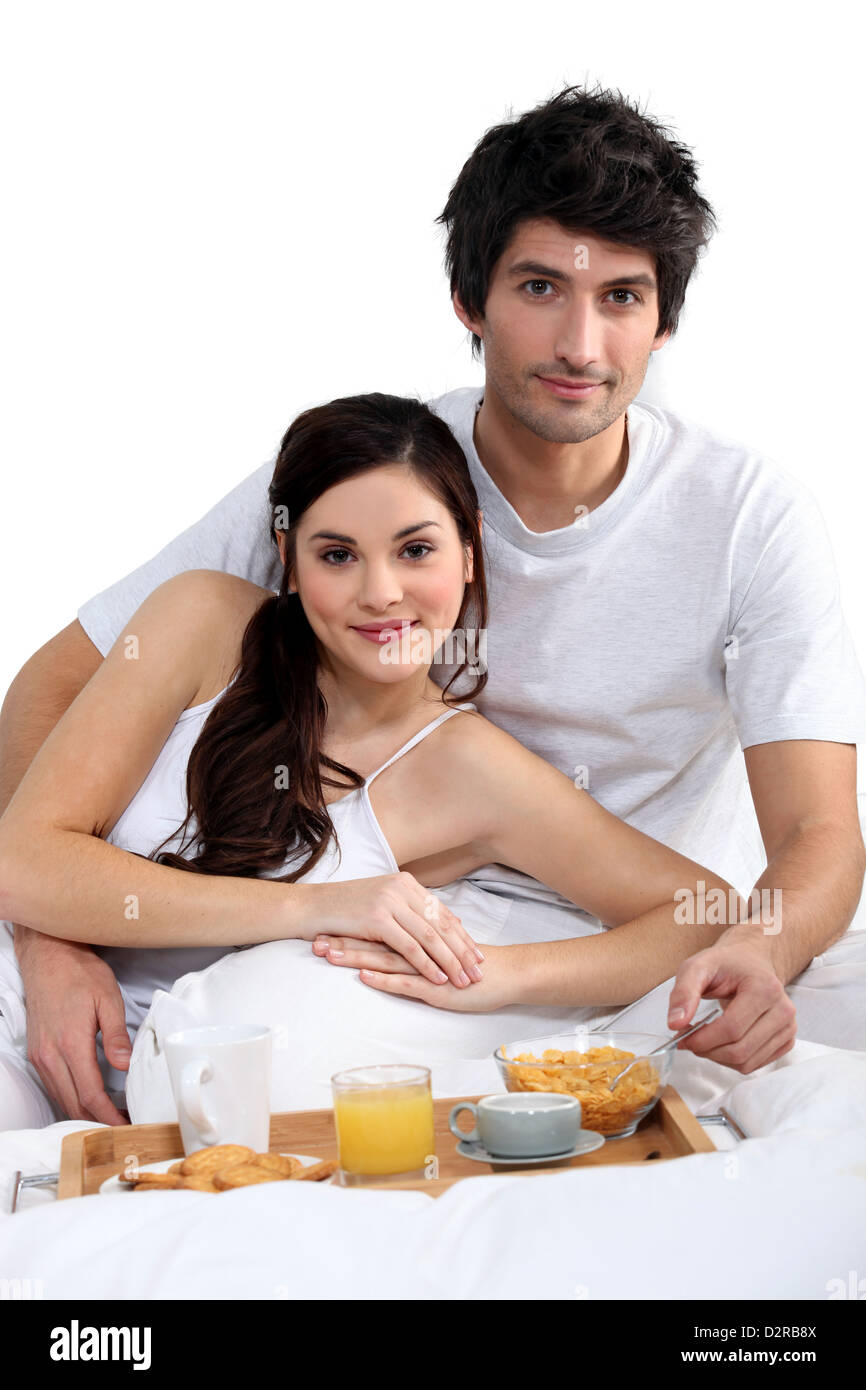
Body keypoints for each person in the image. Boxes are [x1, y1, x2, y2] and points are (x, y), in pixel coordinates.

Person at [2, 84, 864, 1127]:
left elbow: (817, 832)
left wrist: (753, 950)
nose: (580, 345)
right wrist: (53, 938)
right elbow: (54, 690)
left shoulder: (747, 517)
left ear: (664, 317)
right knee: (221, 1030)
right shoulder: (371, 469)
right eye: (539, 286)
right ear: (469, 300)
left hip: (603, 928)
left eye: (622, 298)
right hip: (347, 894)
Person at [0, 392, 744, 1125]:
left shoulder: (467, 766)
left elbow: (699, 912)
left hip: (183, 1082)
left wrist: (504, 978)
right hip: (19, 998)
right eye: (338, 556)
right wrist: (307, 908)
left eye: (416, 550)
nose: (381, 594)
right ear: (288, 562)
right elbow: (24, 859)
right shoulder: (203, 624)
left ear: (471, 552)